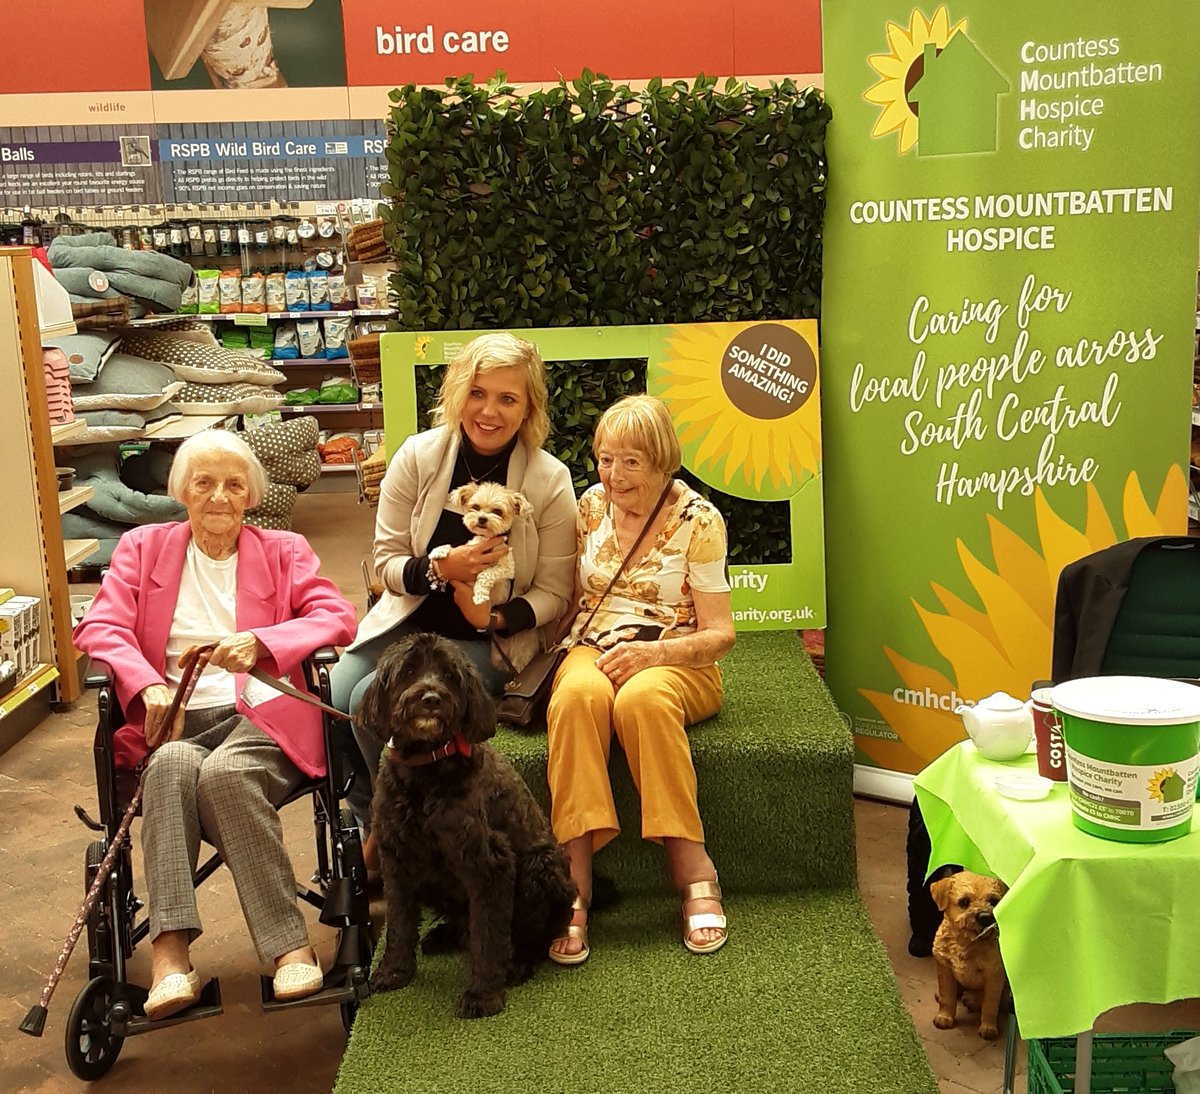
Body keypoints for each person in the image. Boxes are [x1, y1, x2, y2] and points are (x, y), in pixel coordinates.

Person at [73, 431, 357, 1021]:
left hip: (262, 715)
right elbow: (100, 627)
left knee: (226, 776)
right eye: (204, 483)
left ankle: (287, 948)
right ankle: (170, 954)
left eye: (233, 484)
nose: (219, 497)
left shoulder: (285, 550)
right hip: (173, 717)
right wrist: (144, 681)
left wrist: (263, 642)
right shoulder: (142, 548)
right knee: (172, 766)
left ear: (252, 495)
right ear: (181, 491)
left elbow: (336, 616)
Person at [332, 331, 577, 825]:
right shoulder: (418, 457)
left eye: (508, 398)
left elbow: (555, 592)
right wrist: (442, 569)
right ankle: (372, 821)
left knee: (369, 700)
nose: (489, 411)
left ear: (529, 409)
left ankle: (395, 832)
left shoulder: (549, 480)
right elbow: (386, 563)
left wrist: (492, 615)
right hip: (409, 624)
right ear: (458, 393)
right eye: (477, 393)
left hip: (487, 644)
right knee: (336, 695)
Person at [545, 394, 736, 965]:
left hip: (677, 658)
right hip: (593, 646)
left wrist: (652, 656)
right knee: (578, 696)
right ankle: (573, 883)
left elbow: (721, 633)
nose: (614, 474)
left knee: (644, 701)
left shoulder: (699, 520)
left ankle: (692, 868)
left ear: (662, 460)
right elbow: (576, 599)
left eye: (631, 460)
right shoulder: (588, 507)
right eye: (605, 459)